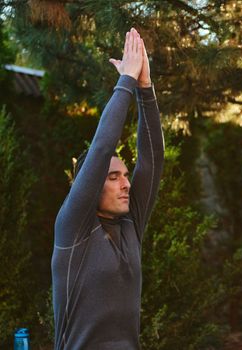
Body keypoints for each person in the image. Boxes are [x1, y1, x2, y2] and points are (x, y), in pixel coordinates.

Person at [51, 28, 164, 350]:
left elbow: (153, 159)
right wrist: (126, 81)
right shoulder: (73, 228)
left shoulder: (130, 224)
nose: (126, 183)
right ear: (87, 186)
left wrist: (145, 88)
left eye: (124, 175)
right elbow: (101, 150)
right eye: (113, 177)